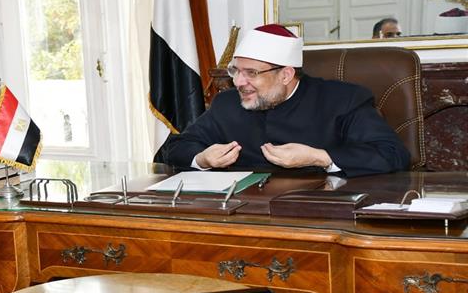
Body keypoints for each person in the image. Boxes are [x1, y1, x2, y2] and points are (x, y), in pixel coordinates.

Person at [164, 24, 410, 177]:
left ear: (286, 75)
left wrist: (320, 157)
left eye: (251, 73)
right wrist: (202, 159)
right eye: (236, 71)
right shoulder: (227, 104)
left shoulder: (343, 100)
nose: (238, 82)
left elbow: (392, 154)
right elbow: (174, 148)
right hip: (245, 216)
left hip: (316, 216)